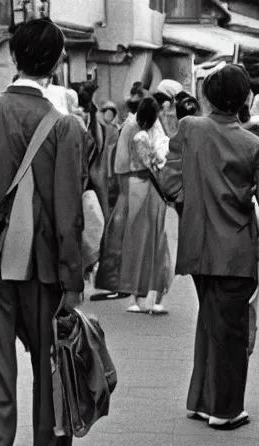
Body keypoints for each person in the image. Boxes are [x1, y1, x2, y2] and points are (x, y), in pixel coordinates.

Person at [0, 18, 86, 446]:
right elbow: (70, 208)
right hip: (42, 261)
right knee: (51, 355)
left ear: (13, 55)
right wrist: (74, 277)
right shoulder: (66, 126)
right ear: (58, 61)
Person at [156, 63, 259, 430]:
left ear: (207, 97)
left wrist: (189, 205)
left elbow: (168, 178)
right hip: (235, 246)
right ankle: (224, 409)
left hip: (197, 243)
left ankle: (203, 400)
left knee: (210, 321)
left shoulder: (189, 128)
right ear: (245, 100)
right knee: (232, 331)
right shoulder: (254, 145)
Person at [115, 96, 174, 314]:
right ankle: (150, 294)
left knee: (136, 239)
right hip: (150, 186)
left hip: (136, 186)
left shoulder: (132, 128)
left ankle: (137, 295)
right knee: (153, 240)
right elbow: (154, 163)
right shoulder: (141, 135)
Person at [91, 83, 148, 302]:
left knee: (117, 232)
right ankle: (122, 281)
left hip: (120, 182)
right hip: (126, 182)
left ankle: (119, 281)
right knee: (121, 233)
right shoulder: (132, 127)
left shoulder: (122, 127)